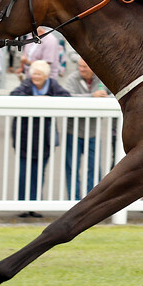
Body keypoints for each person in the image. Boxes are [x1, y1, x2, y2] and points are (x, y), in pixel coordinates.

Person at [10, 60, 70, 216]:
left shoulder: (53, 85)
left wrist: (48, 101)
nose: (36, 77)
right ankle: (22, 205)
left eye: (39, 74)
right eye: (34, 73)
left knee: (39, 171)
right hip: (24, 134)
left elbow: (66, 96)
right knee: (24, 171)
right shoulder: (26, 85)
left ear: (46, 76)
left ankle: (35, 204)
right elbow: (13, 95)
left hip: (45, 136)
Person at [62, 58, 108, 200]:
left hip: (93, 132)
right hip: (73, 132)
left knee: (94, 169)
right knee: (72, 168)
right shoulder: (72, 78)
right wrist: (92, 97)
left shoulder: (101, 79)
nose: (82, 69)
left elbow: (111, 95)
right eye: (80, 66)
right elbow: (67, 97)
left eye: (85, 67)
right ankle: (74, 199)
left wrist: (105, 98)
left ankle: (92, 200)